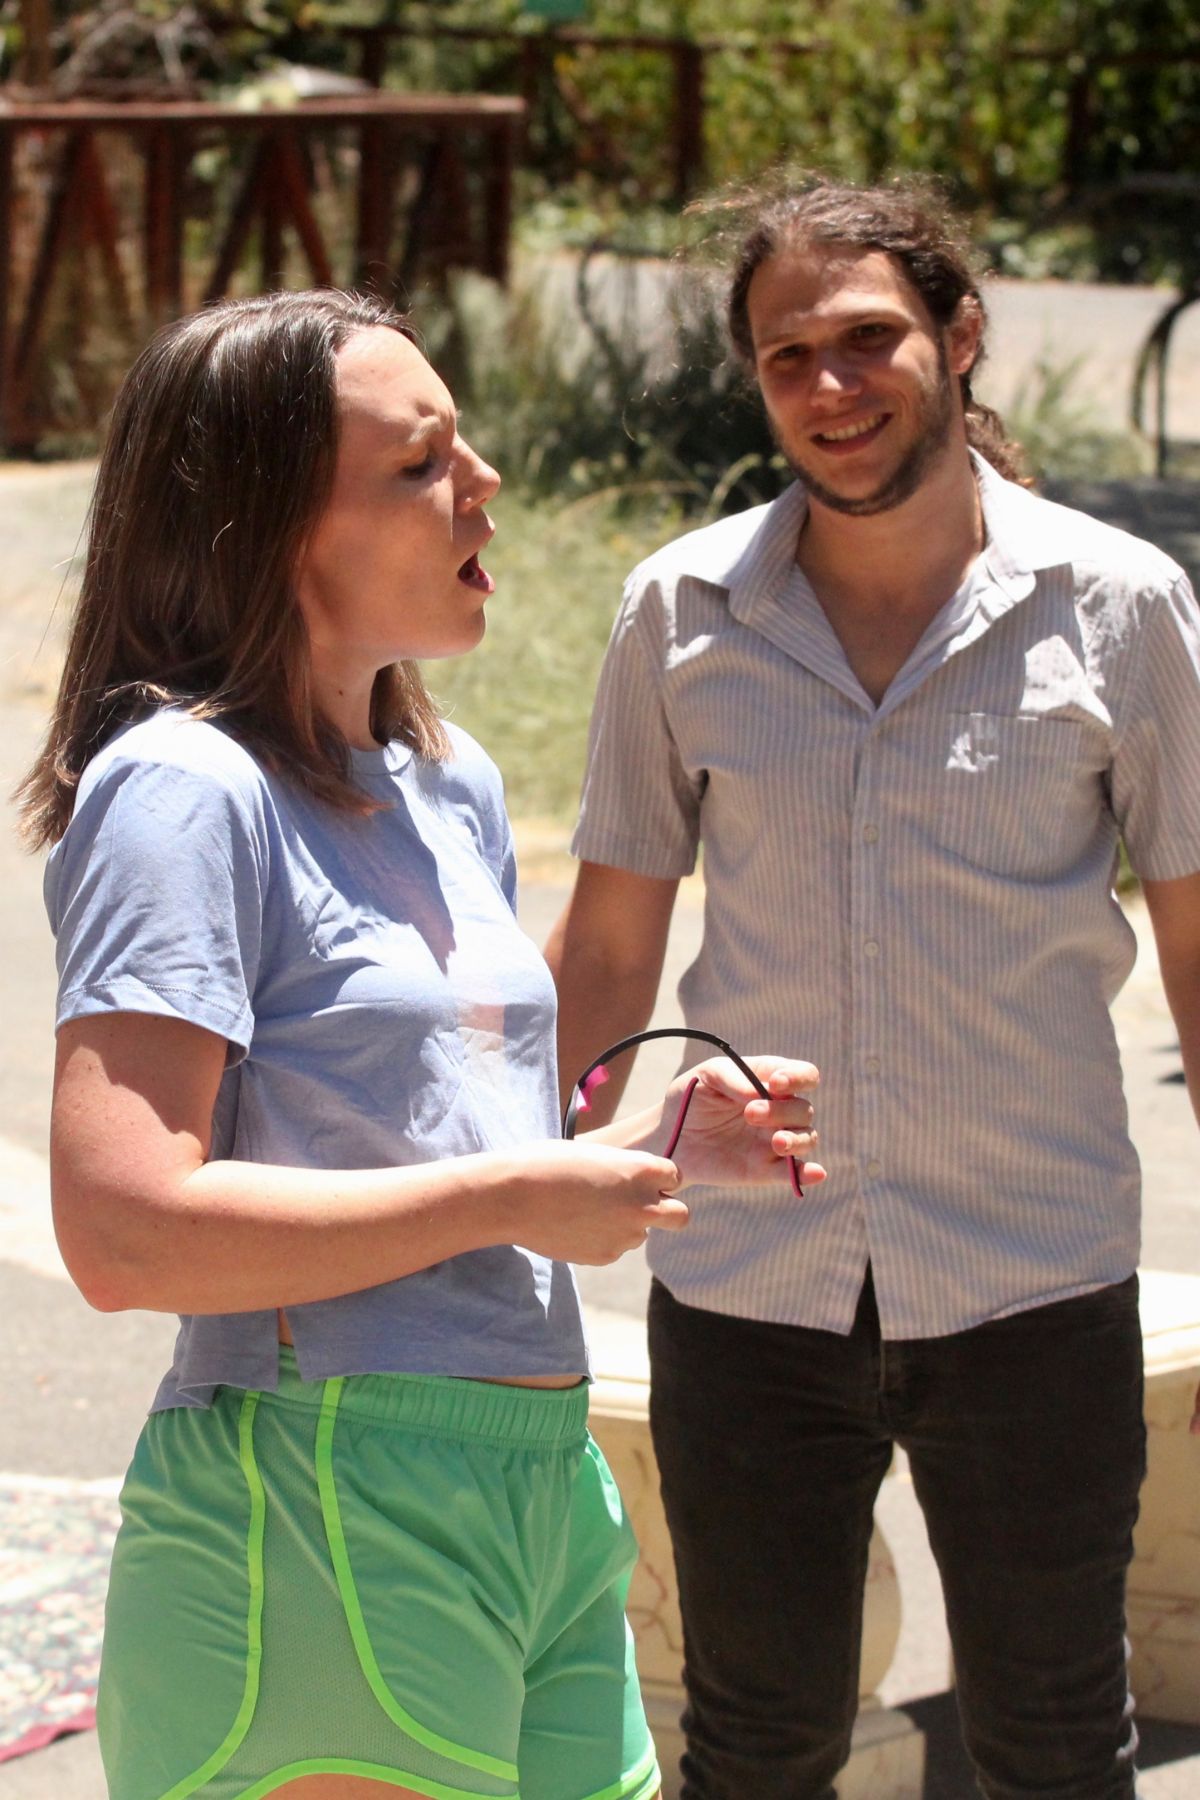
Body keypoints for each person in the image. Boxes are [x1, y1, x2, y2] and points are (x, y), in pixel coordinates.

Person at [17, 288, 825, 1800]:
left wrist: (637, 1155)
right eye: (418, 462)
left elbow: (435, 1155)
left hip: (536, 1478)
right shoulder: (183, 790)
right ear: (268, 526)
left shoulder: (448, 784)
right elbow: (124, 1230)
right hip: (319, 1477)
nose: (485, 481)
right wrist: (517, 1195)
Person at [547, 175, 1200, 1800]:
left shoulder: (1122, 607)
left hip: (1033, 1276)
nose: (830, 388)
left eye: (867, 340)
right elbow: (611, 948)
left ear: (960, 336)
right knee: (756, 1746)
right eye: (788, 356)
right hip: (751, 1287)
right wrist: (519, 1190)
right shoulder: (680, 612)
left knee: (1055, 1745)